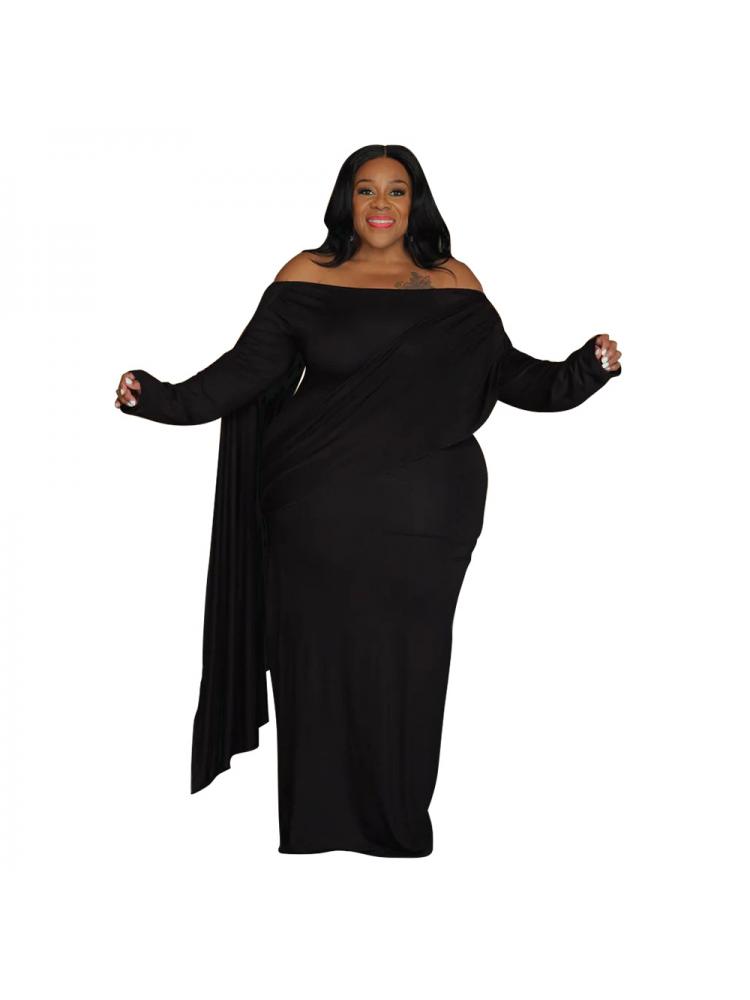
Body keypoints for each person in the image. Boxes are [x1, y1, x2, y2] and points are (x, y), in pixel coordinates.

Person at [116, 144, 622, 858]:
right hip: (316, 511)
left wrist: (585, 369)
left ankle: (396, 826)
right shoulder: (306, 275)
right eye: (365, 190)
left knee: (411, 663)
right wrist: (157, 398)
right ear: (346, 201)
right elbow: (242, 374)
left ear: (417, 203)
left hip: (426, 519)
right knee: (315, 660)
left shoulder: (453, 281)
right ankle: (318, 828)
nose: (381, 203)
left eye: (397, 190)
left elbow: (516, 378)